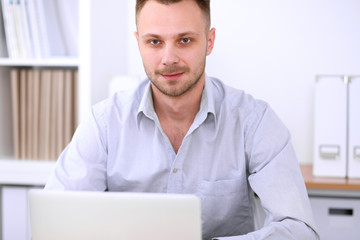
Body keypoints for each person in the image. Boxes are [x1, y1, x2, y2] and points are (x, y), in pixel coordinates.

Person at [45, 0, 319, 239]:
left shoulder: (255, 123)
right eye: (154, 42)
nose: (169, 58)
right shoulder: (104, 124)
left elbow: (300, 231)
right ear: (138, 42)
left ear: (209, 41)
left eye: (184, 40)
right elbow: (52, 225)